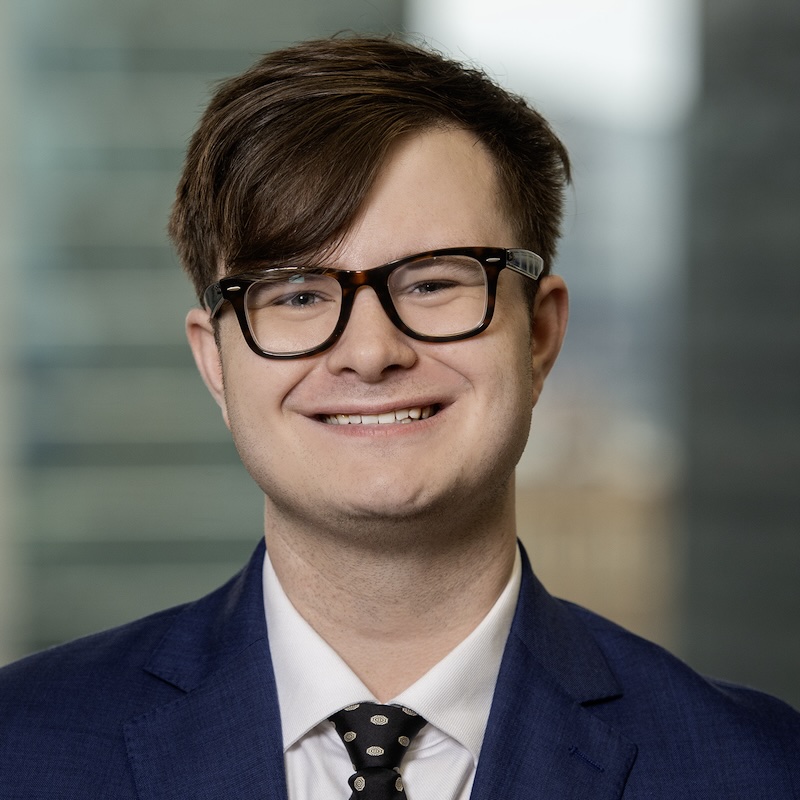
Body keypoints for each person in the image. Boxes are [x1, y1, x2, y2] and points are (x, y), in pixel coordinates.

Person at [0, 35, 798, 800]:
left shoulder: (761, 773)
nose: (371, 351)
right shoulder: (22, 748)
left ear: (541, 335)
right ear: (215, 360)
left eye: (434, 284)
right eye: (299, 295)